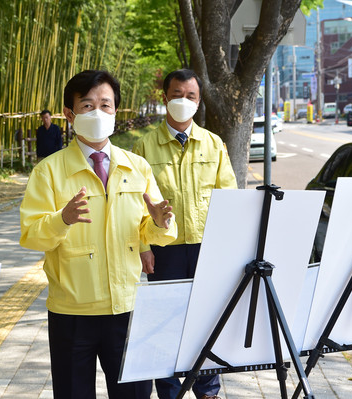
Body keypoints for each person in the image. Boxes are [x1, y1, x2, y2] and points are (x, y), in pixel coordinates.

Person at [20, 70, 178, 399]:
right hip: (72, 311)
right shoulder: (48, 171)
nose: (98, 113)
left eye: (106, 105)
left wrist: (160, 224)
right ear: (69, 113)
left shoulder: (137, 167)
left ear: (116, 111)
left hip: (127, 305)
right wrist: (61, 219)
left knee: (134, 395)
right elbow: (32, 236)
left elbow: (146, 231)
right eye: (88, 105)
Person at [132, 69, 237, 399]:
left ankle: (208, 390)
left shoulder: (213, 144)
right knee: (165, 323)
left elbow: (228, 196)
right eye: (177, 94)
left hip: (208, 247)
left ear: (198, 101)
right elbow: (135, 204)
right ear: (165, 98)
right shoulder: (144, 146)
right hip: (166, 249)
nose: (183, 101)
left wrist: (228, 248)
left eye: (190, 96)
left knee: (208, 320)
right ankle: (169, 391)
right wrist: (143, 247)